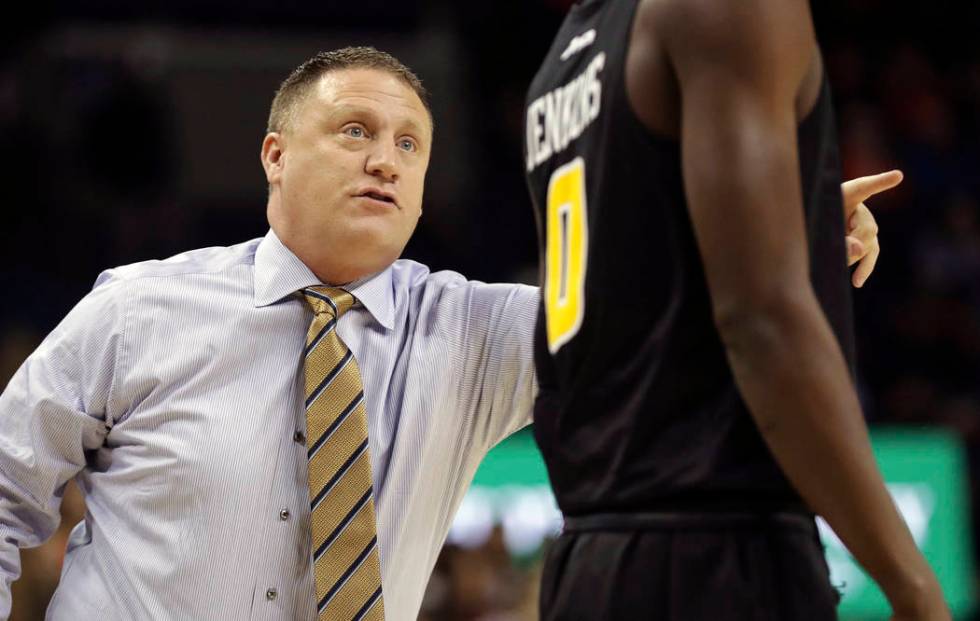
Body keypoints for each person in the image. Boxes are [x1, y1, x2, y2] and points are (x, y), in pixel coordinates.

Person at [0, 43, 889, 621]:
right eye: (354, 131)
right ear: (274, 154)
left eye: (409, 144)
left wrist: (795, 239)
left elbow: (647, 306)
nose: (385, 157)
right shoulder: (138, 307)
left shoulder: (471, 330)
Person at [522, 1, 948, 620]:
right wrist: (913, 586)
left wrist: (783, 215)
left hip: (591, 559)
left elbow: (642, 268)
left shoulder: (569, 52)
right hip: (716, 556)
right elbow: (762, 322)